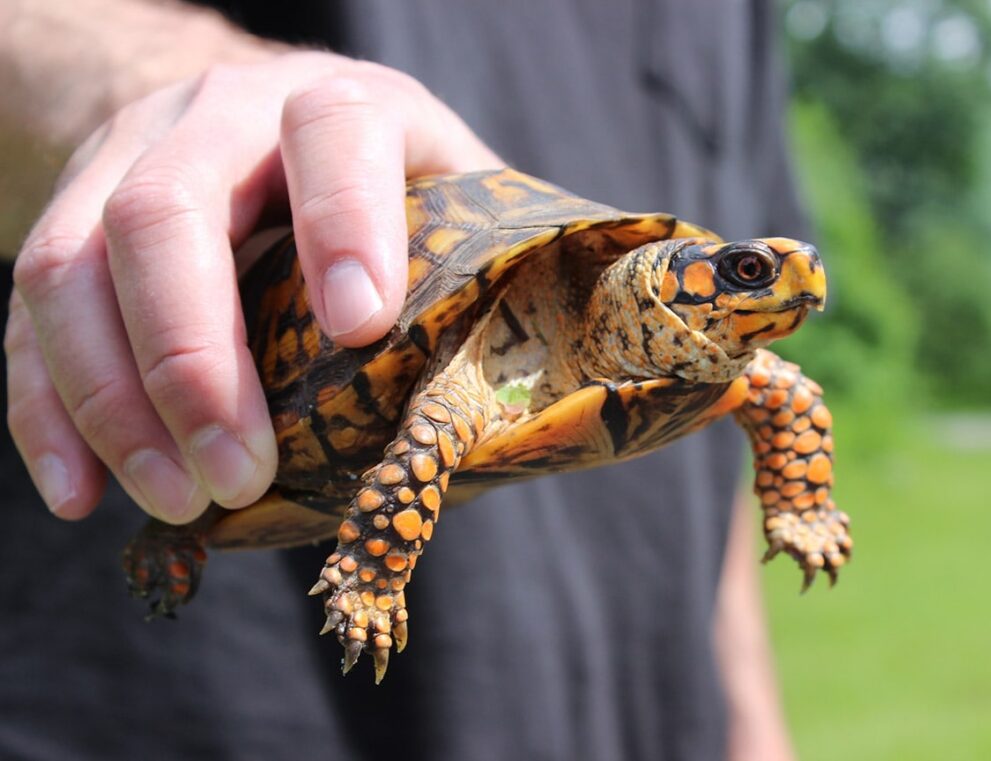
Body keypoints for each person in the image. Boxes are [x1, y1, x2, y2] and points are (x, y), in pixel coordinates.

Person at [1, 1, 801, 758]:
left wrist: (755, 719)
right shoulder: (498, 351)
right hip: (190, 705)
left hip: (652, 719)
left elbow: (734, 451)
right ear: (657, 279)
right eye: (747, 270)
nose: (789, 281)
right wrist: (126, 95)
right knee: (419, 437)